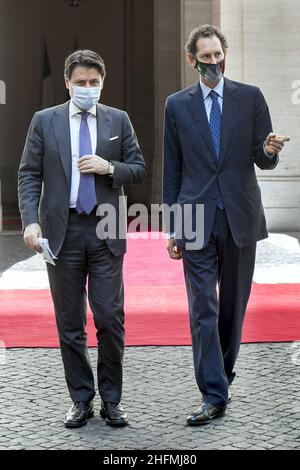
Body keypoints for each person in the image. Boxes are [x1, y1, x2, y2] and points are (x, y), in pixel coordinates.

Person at [163, 25, 289, 425]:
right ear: (192, 59)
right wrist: (173, 227)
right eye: (206, 57)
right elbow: (172, 170)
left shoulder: (250, 98)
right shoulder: (176, 105)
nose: (213, 63)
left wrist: (268, 151)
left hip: (240, 217)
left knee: (233, 307)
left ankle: (224, 374)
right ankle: (213, 393)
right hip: (196, 218)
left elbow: (262, 156)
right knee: (203, 307)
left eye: (218, 55)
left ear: (225, 55)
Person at [18, 49, 146, 428]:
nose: (88, 88)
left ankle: (112, 400)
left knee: (109, 317)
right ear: (67, 83)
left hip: (106, 229)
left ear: (102, 83)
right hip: (62, 233)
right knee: (70, 322)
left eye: (94, 83)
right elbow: (28, 175)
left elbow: (139, 169)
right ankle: (80, 399)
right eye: (81, 83)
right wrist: (30, 222)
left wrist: (110, 167)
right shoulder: (45, 121)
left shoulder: (118, 120)